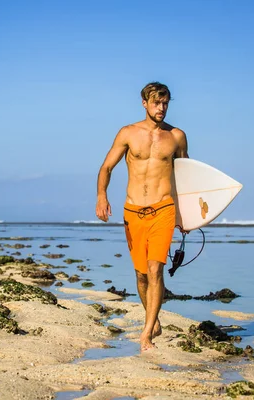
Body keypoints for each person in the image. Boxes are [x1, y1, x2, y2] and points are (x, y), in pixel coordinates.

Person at [95, 82, 189, 352]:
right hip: (133, 211)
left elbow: (186, 175)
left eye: (166, 103)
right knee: (140, 275)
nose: (161, 108)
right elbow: (106, 167)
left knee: (155, 269)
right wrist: (102, 196)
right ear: (144, 103)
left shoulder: (177, 137)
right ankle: (154, 320)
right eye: (157, 102)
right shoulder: (128, 133)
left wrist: (187, 215)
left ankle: (146, 334)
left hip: (164, 208)